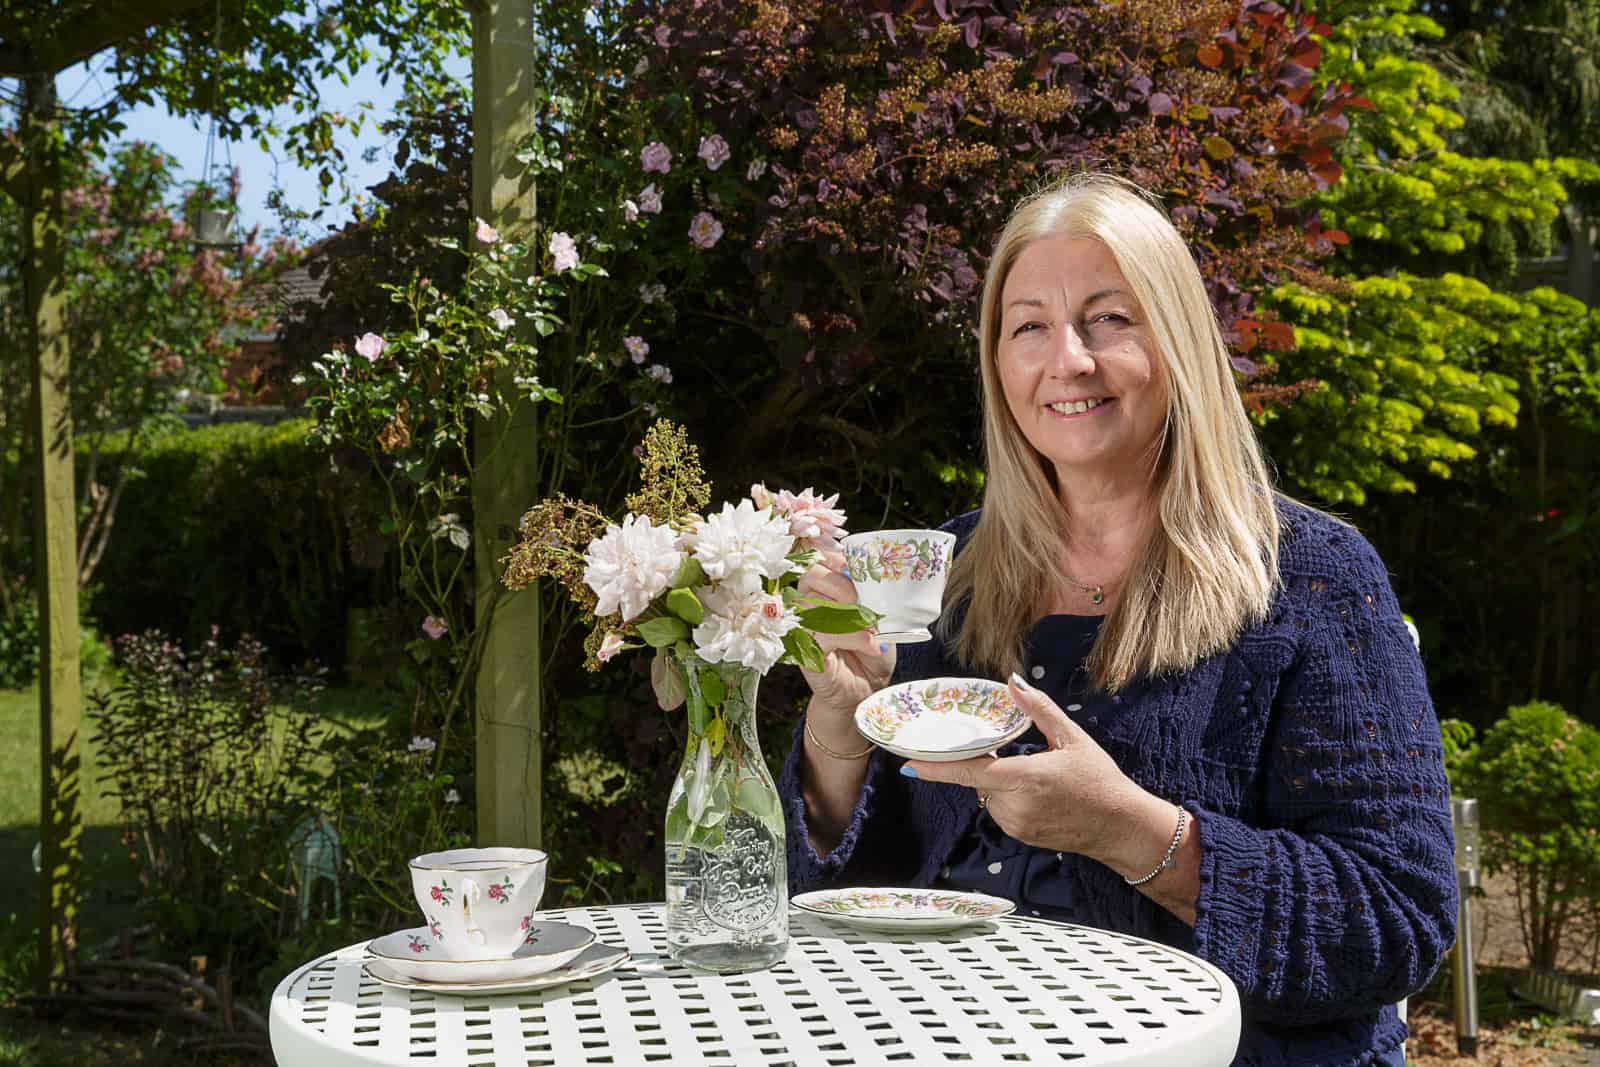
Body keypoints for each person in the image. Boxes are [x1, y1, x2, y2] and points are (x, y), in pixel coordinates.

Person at [780, 172, 1458, 1067]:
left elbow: (1397, 916)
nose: (1067, 359)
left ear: (1174, 339)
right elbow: (842, 900)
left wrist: (1135, 834)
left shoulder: (1311, 580)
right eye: (1028, 326)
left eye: (1109, 317)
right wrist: (840, 725)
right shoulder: (949, 575)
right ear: (996, 363)